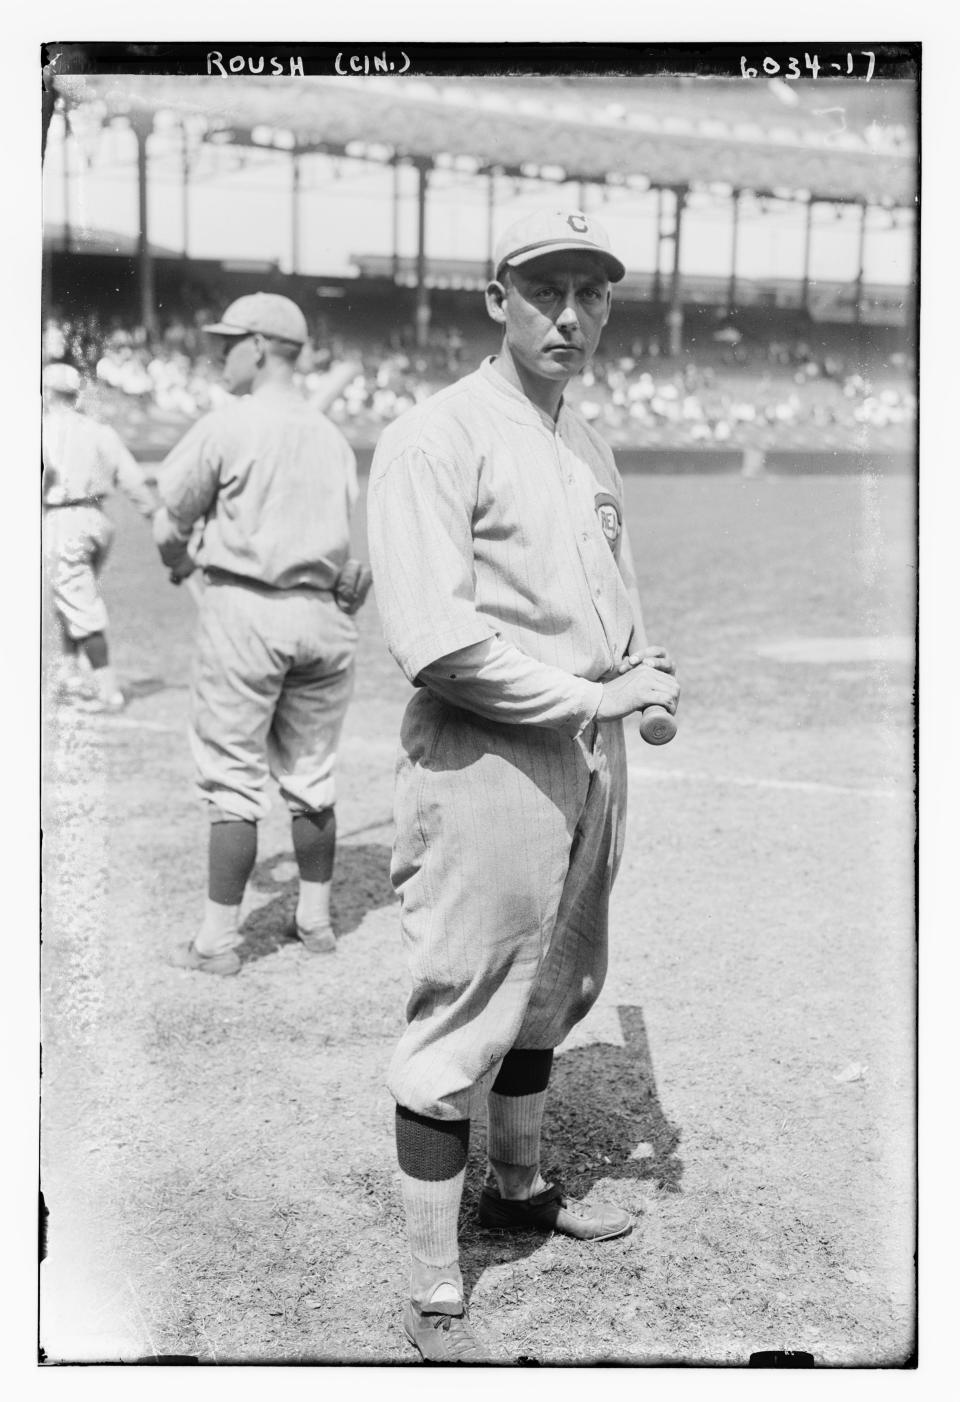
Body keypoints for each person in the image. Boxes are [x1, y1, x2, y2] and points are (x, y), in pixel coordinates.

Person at [367, 209, 680, 1363]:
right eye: (548, 288)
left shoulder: (586, 440)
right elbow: (438, 643)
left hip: (592, 755)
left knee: (559, 982)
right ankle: (429, 1278)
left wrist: (645, 677)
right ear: (495, 294)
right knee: (462, 1008)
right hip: (486, 755)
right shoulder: (435, 435)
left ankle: (521, 1183)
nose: (573, 313)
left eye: (594, 292)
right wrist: (591, 697)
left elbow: (618, 603)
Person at [152, 293, 367, 977]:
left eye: (228, 343)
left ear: (257, 346)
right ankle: (315, 920)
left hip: (247, 612)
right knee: (311, 778)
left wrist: (179, 560)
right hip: (325, 619)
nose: (220, 355)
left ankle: (216, 942)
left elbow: (168, 521)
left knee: (231, 780)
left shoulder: (229, 422)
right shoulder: (331, 437)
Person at [41, 361, 158, 712]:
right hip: (97, 520)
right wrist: (153, 514)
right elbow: (132, 478)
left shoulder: (42, 428)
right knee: (71, 596)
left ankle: (109, 692)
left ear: (47, 393)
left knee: (80, 605)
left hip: (63, 519)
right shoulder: (98, 430)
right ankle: (70, 674)